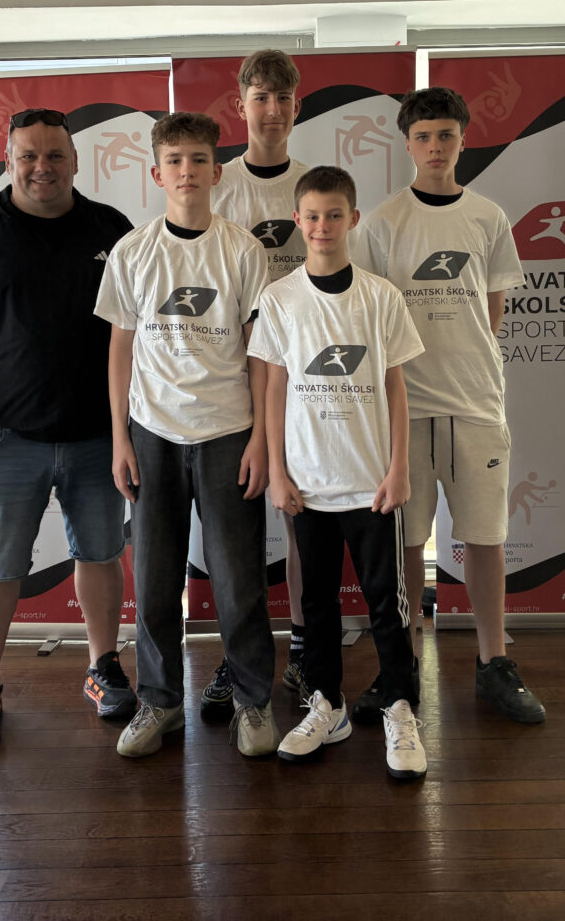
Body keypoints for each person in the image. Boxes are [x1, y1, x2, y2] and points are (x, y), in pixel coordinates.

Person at [0, 107, 136, 745]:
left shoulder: (111, 229)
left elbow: (142, 329)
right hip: (6, 435)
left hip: (99, 435)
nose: (43, 167)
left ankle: (102, 667)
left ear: (75, 160)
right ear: (9, 161)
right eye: (29, 156)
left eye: (55, 155)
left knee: (101, 553)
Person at [352, 87, 547, 725]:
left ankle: (494, 663)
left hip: (476, 405)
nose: (435, 147)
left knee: (485, 540)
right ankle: (403, 667)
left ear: (463, 140)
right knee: (407, 545)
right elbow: (369, 314)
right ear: (407, 145)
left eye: (446, 136)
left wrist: (464, 361)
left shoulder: (488, 217)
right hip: (404, 409)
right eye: (423, 137)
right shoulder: (382, 223)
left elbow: (491, 311)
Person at [94, 111, 279, 758]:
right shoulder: (132, 252)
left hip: (228, 432)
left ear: (216, 171)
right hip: (152, 434)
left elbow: (261, 354)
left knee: (238, 581)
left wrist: (261, 439)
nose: (187, 171)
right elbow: (120, 350)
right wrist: (120, 438)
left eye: (199, 159)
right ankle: (160, 701)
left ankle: (253, 704)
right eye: (174, 160)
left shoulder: (243, 250)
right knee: (154, 580)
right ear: (156, 174)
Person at [251, 165, 428, 779]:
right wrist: (278, 472)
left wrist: (399, 468)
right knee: (316, 604)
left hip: (372, 485)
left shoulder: (381, 298)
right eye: (312, 216)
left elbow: (397, 389)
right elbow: (274, 389)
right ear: (297, 221)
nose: (322, 226)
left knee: (387, 606)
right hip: (307, 486)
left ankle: (401, 709)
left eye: (334, 215)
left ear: (352, 219)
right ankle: (327, 706)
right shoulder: (279, 299)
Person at [202, 48, 314, 716]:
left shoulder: (315, 186)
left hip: (308, 382)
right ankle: (237, 655)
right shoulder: (219, 188)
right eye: (260, 97)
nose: (272, 110)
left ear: (297, 107)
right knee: (235, 537)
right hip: (235, 379)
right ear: (240, 105)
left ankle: (302, 649)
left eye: (283, 98)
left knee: (300, 522)